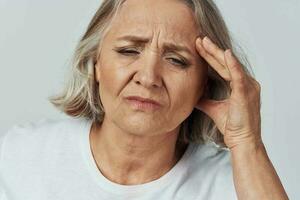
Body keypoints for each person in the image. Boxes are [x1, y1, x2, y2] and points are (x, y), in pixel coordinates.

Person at [0, 0, 289, 199]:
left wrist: (247, 142)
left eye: (176, 60)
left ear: (205, 83)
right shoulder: (20, 157)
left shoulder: (237, 184)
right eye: (128, 51)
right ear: (96, 63)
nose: (148, 77)